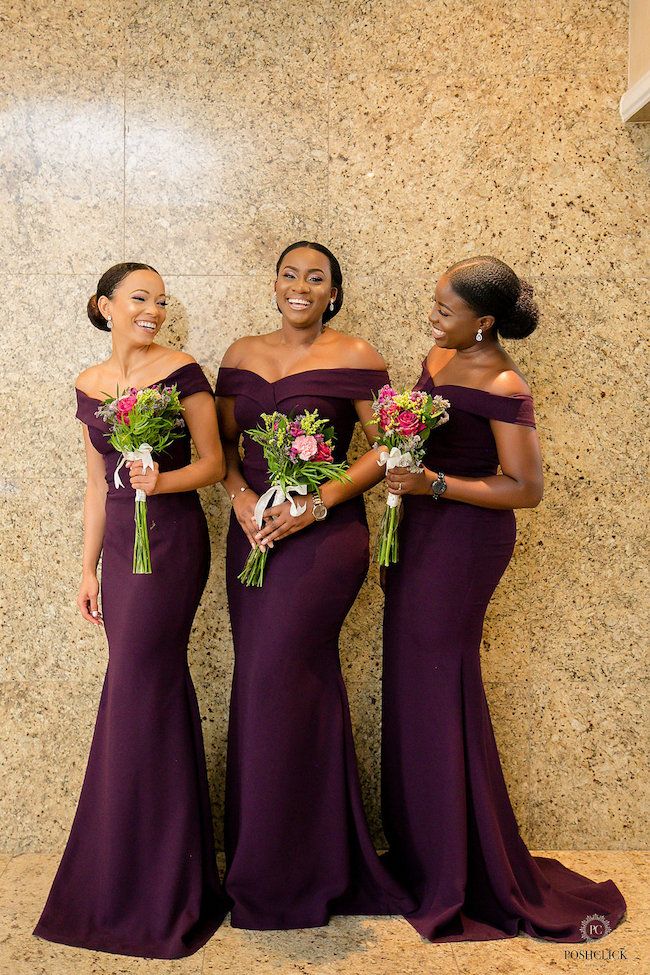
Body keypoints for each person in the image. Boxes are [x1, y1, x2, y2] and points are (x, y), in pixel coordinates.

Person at [379, 255, 627, 942]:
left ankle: (461, 868)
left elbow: (525, 487)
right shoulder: (441, 353)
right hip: (419, 532)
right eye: (434, 302)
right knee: (413, 688)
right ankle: (427, 852)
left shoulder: (503, 380)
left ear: (484, 322)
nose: (433, 316)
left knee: (439, 686)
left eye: (446, 309)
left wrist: (431, 484)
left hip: (463, 541)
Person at [214, 241, 414, 929]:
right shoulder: (239, 353)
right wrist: (242, 497)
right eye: (290, 274)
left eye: (316, 278)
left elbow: (392, 445)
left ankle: (294, 873)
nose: (301, 286)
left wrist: (317, 503)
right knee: (272, 683)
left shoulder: (357, 354)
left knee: (281, 677)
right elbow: (222, 448)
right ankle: (297, 857)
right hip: (253, 535)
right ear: (274, 283)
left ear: (333, 292)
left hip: (324, 542)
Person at [34, 262, 230, 958]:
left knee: (140, 686)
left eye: (160, 300)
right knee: (135, 690)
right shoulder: (87, 384)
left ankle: (154, 886)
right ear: (104, 305)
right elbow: (95, 485)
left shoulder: (183, 372)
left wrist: (161, 476)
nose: (153, 309)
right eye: (140, 298)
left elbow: (213, 462)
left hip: (171, 538)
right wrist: (86, 568)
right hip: (120, 542)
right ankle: (137, 871)